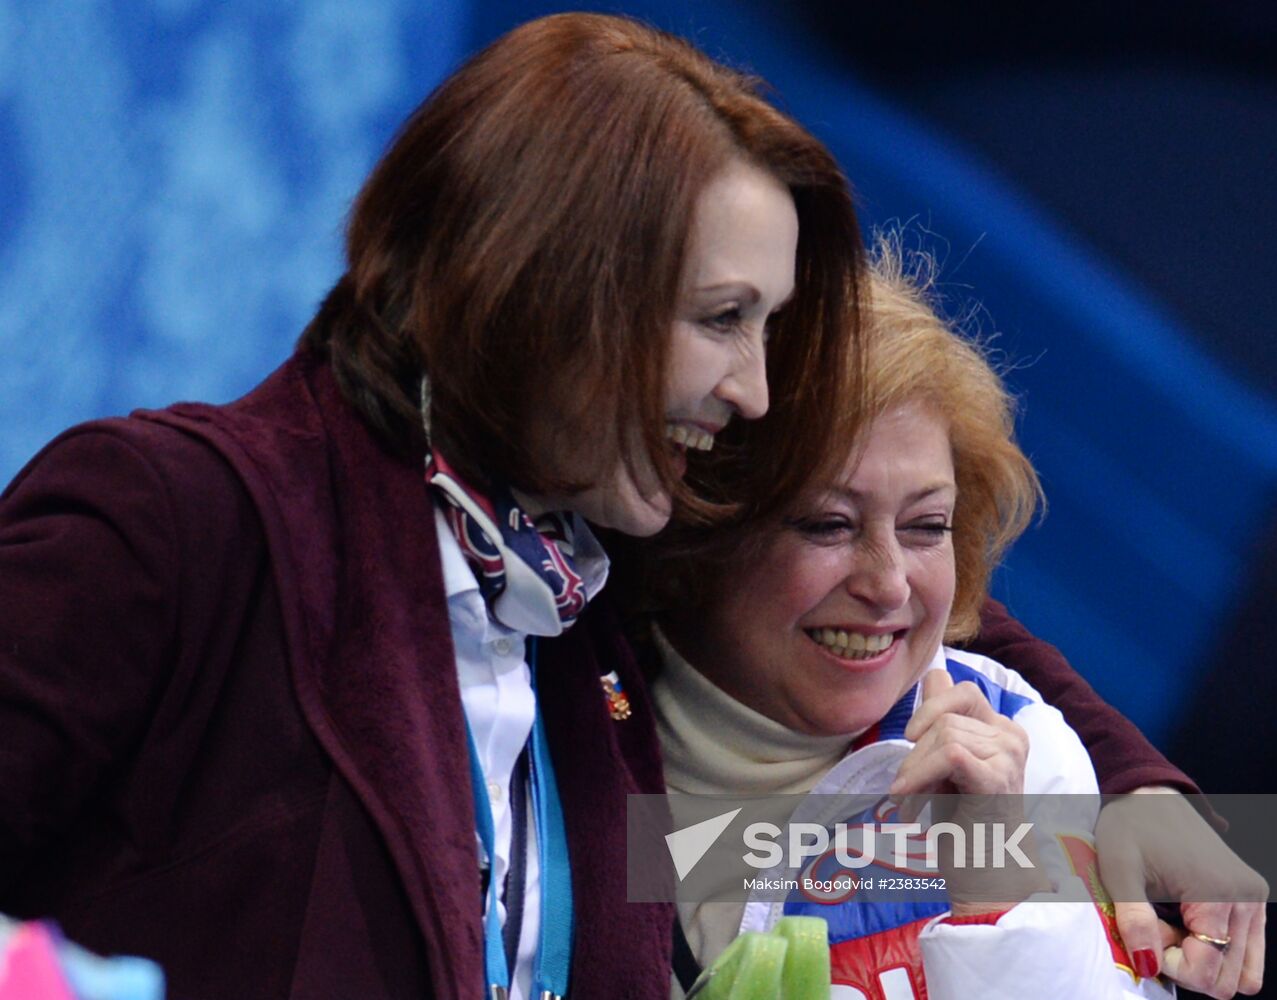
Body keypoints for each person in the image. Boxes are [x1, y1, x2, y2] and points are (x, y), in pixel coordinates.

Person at [0, 12, 1258, 1000]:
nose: (754, 390)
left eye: (765, 328)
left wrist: (1133, 791)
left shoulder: (586, 606)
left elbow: (925, 614)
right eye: (722, 320)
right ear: (548, 282)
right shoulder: (180, 518)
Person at [646, 242, 1265, 998]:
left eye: (925, 525)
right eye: (827, 524)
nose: (887, 584)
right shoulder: (558, 724)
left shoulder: (1022, 745)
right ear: (701, 532)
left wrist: (997, 898)